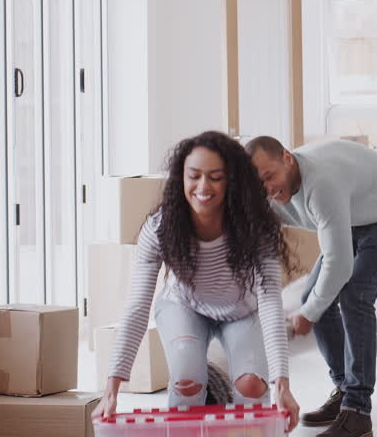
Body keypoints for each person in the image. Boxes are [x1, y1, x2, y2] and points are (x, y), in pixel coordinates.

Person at [95, 131, 300, 432]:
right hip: (184, 307)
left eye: (215, 177)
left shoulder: (255, 227)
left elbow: (270, 300)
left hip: (241, 310)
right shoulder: (161, 228)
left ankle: (227, 401)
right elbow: (138, 305)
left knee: (251, 385)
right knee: (187, 380)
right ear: (181, 179)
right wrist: (111, 389)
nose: (203, 186)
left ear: (232, 181)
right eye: (194, 176)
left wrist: (281, 384)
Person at [247, 136, 377, 437]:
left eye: (270, 176)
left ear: (287, 158)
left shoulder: (321, 184)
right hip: (360, 218)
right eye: (258, 183)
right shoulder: (268, 192)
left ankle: (358, 412)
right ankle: (345, 390)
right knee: (313, 296)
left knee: (354, 294)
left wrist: (309, 314)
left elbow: (339, 265)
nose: (267, 188)